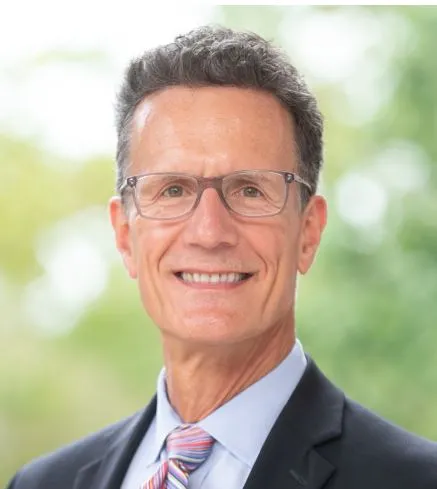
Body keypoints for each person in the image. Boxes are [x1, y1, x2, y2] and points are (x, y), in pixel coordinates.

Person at [6, 25, 437, 489]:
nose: (210, 232)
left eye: (249, 190)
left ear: (308, 232)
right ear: (125, 235)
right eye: (173, 189)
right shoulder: (43, 483)